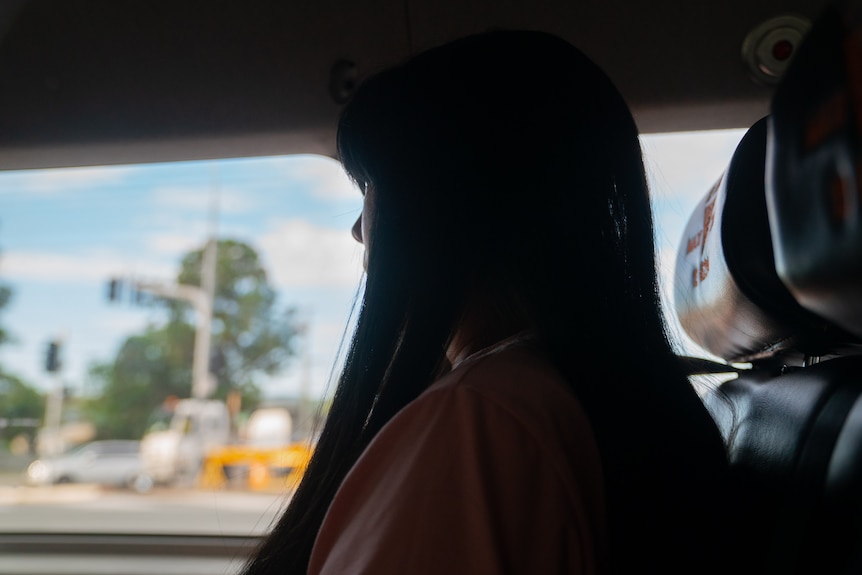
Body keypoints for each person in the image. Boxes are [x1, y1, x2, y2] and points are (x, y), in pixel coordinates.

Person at [242, 30, 730, 575]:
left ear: (440, 205)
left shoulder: (479, 420)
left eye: (372, 190)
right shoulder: (603, 397)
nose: (359, 230)